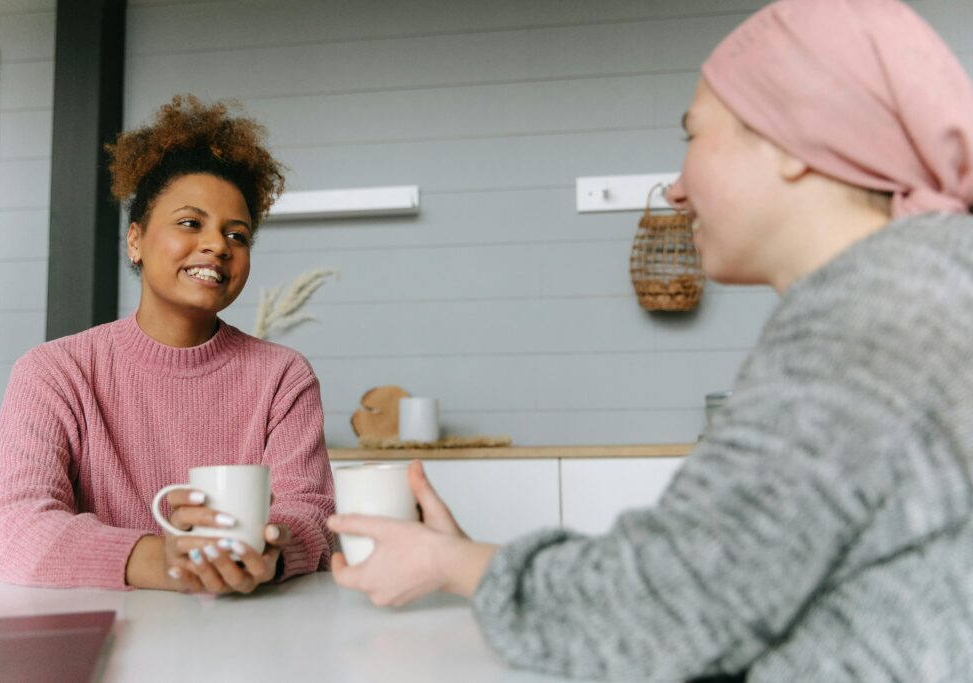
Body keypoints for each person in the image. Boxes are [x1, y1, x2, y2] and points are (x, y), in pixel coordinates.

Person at [327, 0, 973, 679]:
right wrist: (462, 562)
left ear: (792, 140)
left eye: (693, 136)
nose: (675, 188)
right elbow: (737, 582)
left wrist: (449, 563)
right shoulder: (922, 286)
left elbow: (665, 605)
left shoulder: (869, 319)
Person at [0, 96, 336, 594]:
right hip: (102, 633)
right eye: (191, 223)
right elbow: (16, 527)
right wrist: (164, 559)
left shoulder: (283, 376)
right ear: (135, 240)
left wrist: (270, 551)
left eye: (238, 234)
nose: (218, 244)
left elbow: (312, 513)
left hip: (250, 631)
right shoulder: (53, 373)